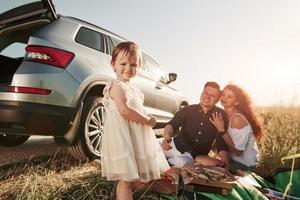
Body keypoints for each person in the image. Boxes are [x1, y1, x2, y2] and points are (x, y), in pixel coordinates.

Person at [101, 41, 170, 200]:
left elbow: (135, 108)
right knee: (126, 179)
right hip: (122, 138)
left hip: (131, 136)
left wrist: (147, 116)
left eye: (133, 64)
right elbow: (125, 111)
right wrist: (147, 120)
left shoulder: (132, 88)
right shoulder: (117, 86)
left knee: (131, 177)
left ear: (139, 67)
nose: (128, 68)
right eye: (123, 63)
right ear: (113, 65)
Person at [161, 82, 230, 171]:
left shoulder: (220, 115)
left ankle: (166, 164)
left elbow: (221, 143)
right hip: (173, 145)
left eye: (212, 95)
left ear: (217, 100)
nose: (207, 97)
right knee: (150, 148)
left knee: (183, 165)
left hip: (189, 157)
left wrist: (226, 168)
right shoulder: (188, 109)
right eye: (205, 93)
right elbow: (172, 125)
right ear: (201, 93)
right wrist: (167, 138)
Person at [210, 84, 263, 175]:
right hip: (232, 160)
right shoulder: (224, 115)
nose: (224, 98)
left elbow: (238, 152)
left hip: (245, 166)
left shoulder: (237, 119)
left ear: (236, 102)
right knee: (201, 161)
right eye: (223, 95)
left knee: (209, 169)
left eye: (229, 97)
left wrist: (222, 131)